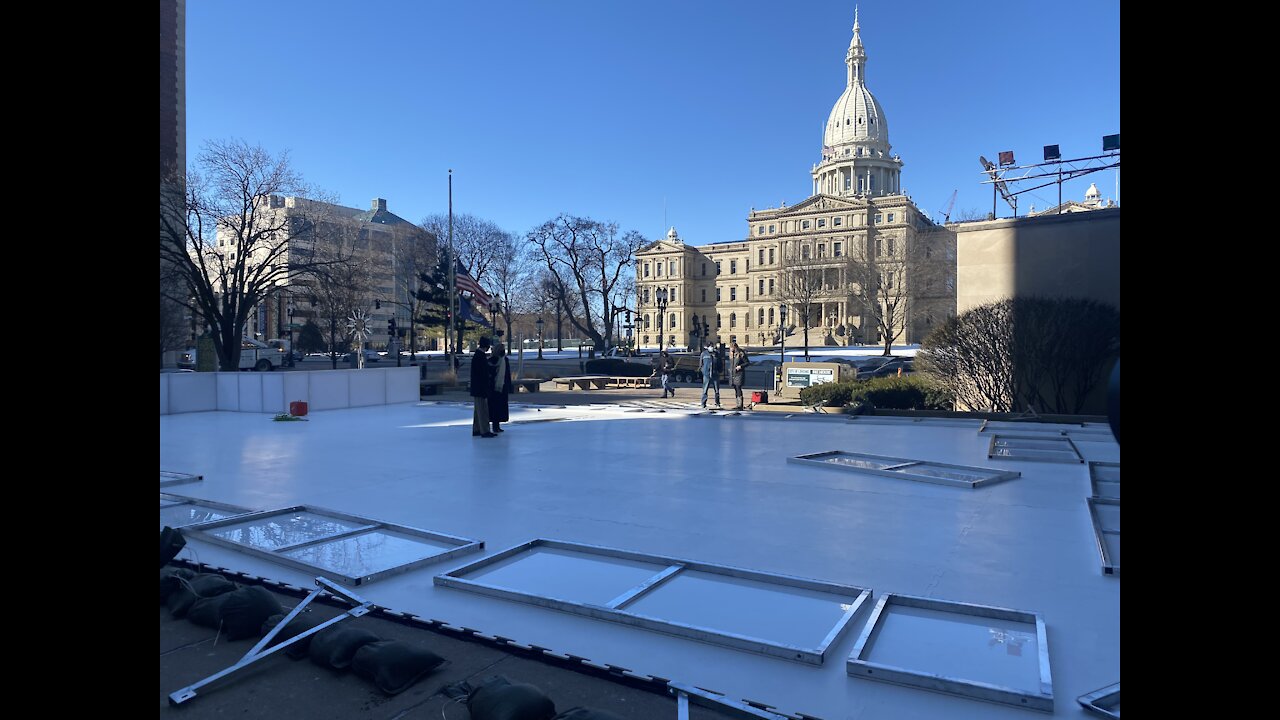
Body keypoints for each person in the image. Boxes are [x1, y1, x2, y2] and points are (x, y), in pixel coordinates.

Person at [470, 337, 495, 437]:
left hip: (477, 388)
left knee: (478, 410)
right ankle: (484, 430)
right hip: (481, 388)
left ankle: (476, 428)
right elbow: (483, 373)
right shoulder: (480, 356)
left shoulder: (477, 355)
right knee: (483, 410)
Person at [488, 341, 513, 434]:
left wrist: (509, 385)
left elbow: (507, 374)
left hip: (502, 387)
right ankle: (495, 425)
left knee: (500, 407)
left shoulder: (505, 360)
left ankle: (497, 425)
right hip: (494, 387)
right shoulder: (492, 360)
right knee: (495, 407)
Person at [729, 341, 750, 410]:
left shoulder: (741, 353)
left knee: (738, 388)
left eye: (732, 348)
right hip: (733, 373)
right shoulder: (731, 354)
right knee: (735, 388)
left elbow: (747, 362)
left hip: (739, 373)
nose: (731, 349)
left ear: (735, 347)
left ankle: (740, 405)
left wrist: (740, 366)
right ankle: (737, 404)